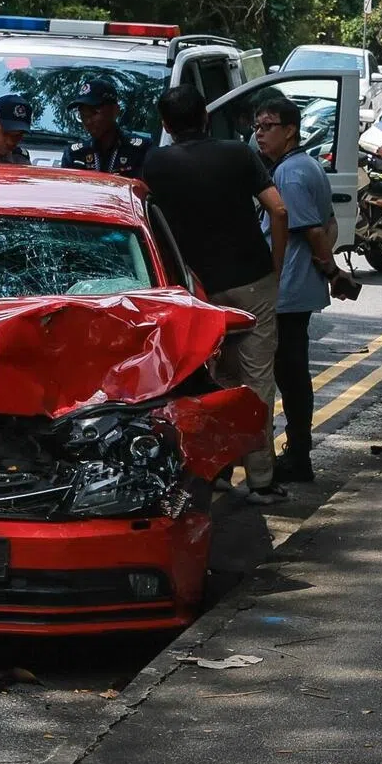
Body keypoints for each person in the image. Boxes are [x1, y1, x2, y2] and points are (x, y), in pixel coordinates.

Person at [143, 84, 290, 504]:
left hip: (197, 288)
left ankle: (218, 468)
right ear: (206, 117)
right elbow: (278, 210)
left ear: (168, 125)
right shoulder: (238, 154)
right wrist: (276, 266)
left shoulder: (155, 163)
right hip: (251, 277)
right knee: (257, 375)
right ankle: (261, 478)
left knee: (216, 378)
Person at [254, 96, 357, 486]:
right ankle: (298, 452)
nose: (260, 134)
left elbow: (314, 230)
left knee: (289, 372)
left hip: (288, 289)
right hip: (296, 286)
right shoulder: (306, 165)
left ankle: (298, 454)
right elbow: (328, 224)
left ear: (290, 130)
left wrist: (329, 270)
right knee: (292, 371)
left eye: (268, 126)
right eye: (257, 127)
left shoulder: (291, 174)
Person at [61, 78, 150, 177]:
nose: (88, 121)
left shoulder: (141, 150)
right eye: (83, 115)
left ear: (115, 111)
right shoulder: (74, 154)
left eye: (94, 113)